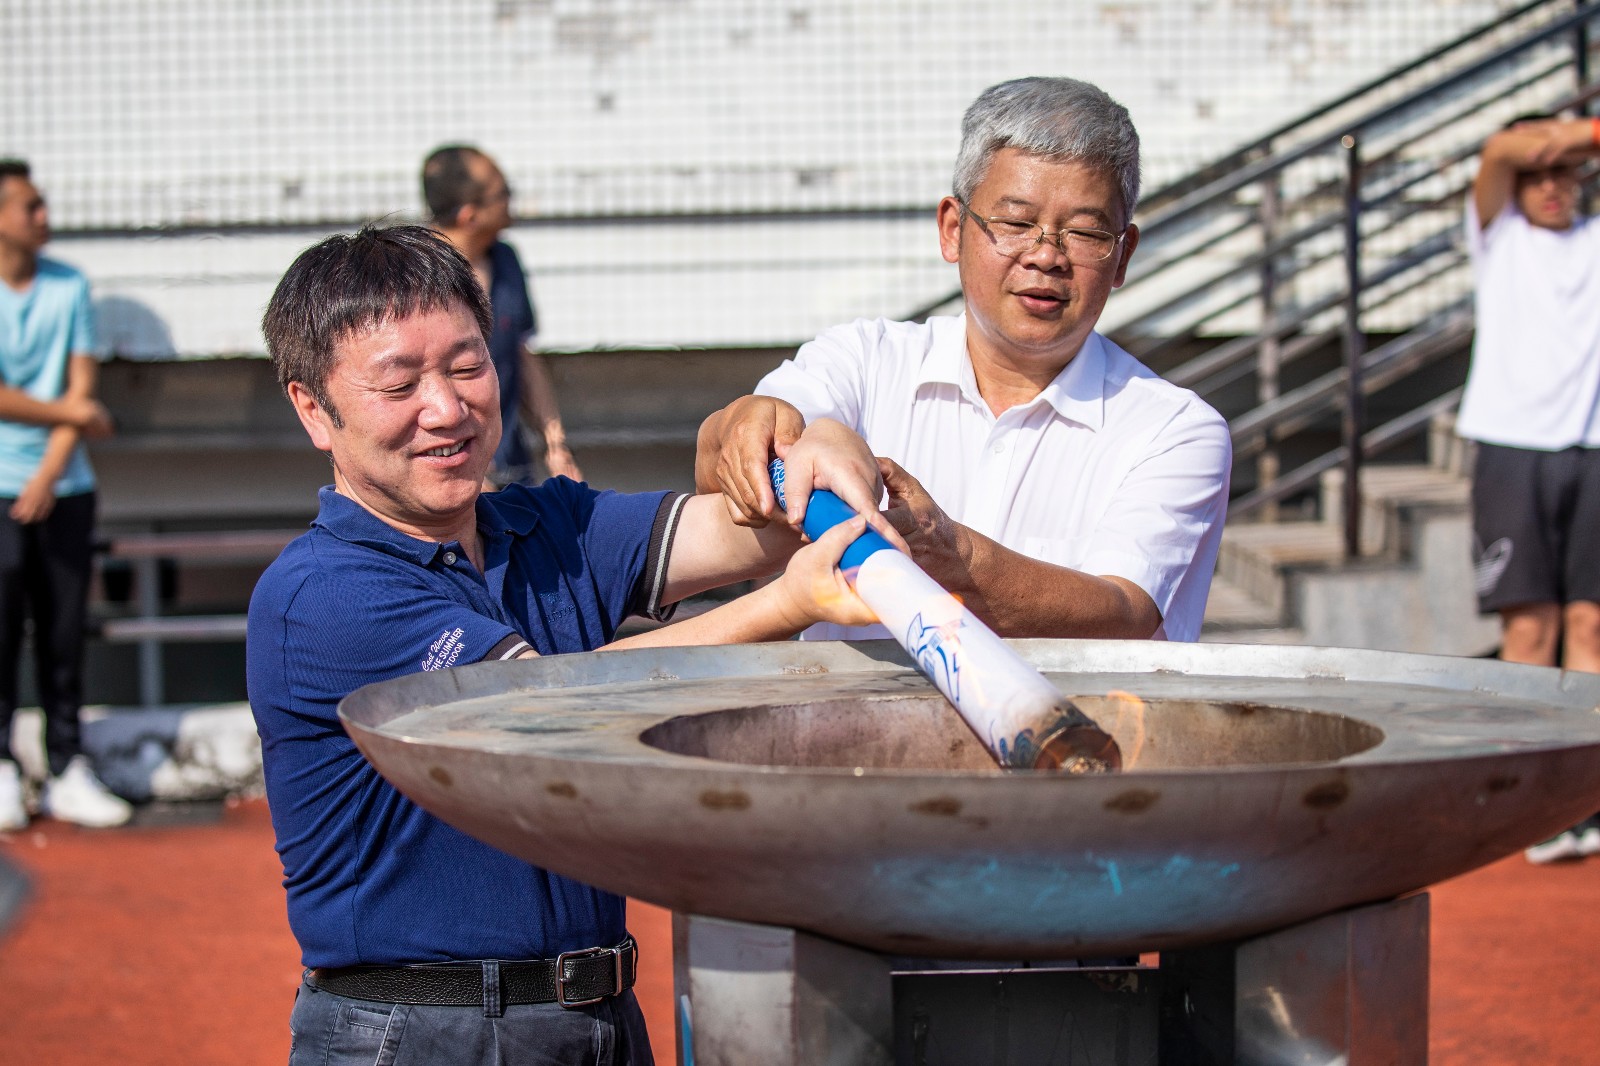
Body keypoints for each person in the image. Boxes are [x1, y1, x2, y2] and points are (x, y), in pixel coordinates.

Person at [246, 224, 874, 1065]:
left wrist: (822, 446)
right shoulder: (321, 595)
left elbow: (740, 533)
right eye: (399, 383)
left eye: (468, 366)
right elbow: (550, 710)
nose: (447, 407)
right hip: (426, 1033)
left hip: (600, 1017)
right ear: (313, 408)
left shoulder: (550, 523)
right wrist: (788, 605)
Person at [697, 77, 1231, 644]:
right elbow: (725, 453)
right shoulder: (863, 360)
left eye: (1083, 232)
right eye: (1016, 223)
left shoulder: (1174, 430)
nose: (1046, 256)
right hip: (843, 727)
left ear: (1121, 256)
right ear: (954, 230)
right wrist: (751, 428)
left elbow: (1124, 611)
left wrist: (957, 554)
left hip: (1065, 730)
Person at [1456, 112, 1600, 863]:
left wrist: (1567, 141)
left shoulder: (1594, 241)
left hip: (1594, 453)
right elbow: (1499, 151)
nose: (1550, 184)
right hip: (1514, 449)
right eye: (1538, 173)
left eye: (1565, 172)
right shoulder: (1497, 234)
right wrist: (1564, 133)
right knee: (1529, 632)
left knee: (1591, 628)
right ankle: (1530, 803)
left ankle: (1584, 797)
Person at [0, 159, 130, 831]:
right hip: (0, 489)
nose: (44, 217)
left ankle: (67, 767)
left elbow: (82, 391)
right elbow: (80, 410)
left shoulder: (69, 284)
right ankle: (3, 769)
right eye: (30, 206)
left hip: (65, 486)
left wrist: (49, 472)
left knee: (62, 632)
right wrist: (76, 419)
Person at [423, 144, 582, 487]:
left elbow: (521, 357)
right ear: (470, 214)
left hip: (513, 467)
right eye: (503, 193)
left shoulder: (506, 260)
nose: (512, 200)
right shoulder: (415, 275)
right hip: (448, 478)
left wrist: (555, 445)